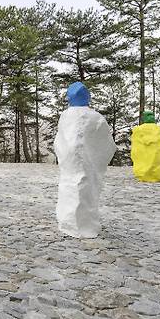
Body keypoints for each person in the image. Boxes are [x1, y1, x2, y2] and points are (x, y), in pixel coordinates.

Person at [54, 82, 116, 238]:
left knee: (70, 189)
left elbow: (59, 141)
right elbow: (107, 144)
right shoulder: (96, 117)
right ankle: (84, 225)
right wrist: (97, 159)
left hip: (70, 163)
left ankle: (70, 223)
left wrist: (65, 156)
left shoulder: (66, 116)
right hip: (89, 164)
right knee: (86, 191)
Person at [131, 111, 160, 182]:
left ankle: (145, 174)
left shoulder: (139, 129)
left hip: (148, 154)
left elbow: (136, 145)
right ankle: (153, 174)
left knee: (149, 161)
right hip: (155, 154)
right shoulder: (158, 129)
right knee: (154, 161)